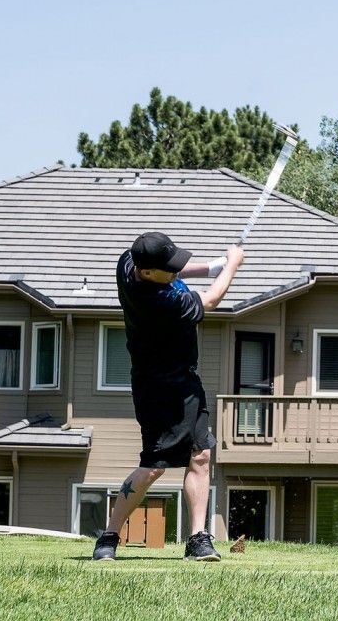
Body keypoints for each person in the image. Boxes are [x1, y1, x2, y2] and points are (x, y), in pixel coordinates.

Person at [92, 232, 245, 562]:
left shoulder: (129, 261)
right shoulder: (160, 300)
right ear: (148, 273)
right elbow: (211, 300)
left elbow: (180, 271)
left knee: (201, 456)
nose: (177, 269)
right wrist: (231, 266)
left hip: (187, 382)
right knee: (153, 468)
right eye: (170, 267)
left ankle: (198, 540)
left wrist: (212, 265)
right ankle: (109, 536)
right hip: (157, 390)